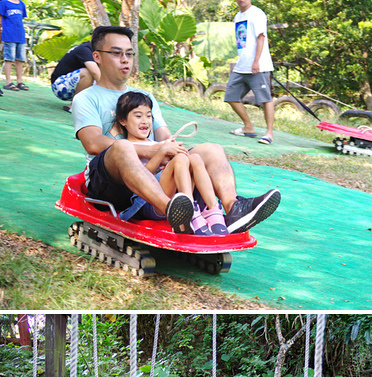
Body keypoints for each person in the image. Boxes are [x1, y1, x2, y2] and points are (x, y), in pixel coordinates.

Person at [74, 26, 280, 233]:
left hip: (155, 176)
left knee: (211, 149)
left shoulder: (143, 96)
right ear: (97, 57)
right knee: (122, 147)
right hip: (111, 184)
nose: (125, 59)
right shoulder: (87, 97)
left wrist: (172, 150)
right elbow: (93, 143)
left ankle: (233, 208)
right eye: (117, 53)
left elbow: (163, 135)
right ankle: (176, 213)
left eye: (129, 54)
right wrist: (150, 150)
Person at [113, 91, 229, 235]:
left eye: (149, 116)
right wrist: (161, 153)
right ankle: (190, 213)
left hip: (172, 198)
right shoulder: (127, 148)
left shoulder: (155, 143)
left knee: (195, 158)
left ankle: (212, 210)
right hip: (149, 201)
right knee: (180, 160)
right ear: (123, 120)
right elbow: (139, 177)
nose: (145, 120)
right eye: (138, 116)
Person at [226, 0, 275, 145]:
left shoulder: (257, 13)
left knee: (265, 99)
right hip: (242, 66)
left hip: (258, 66)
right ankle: (248, 126)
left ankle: (269, 134)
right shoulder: (237, 16)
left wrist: (256, 61)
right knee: (231, 96)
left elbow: (261, 37)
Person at [51, 41, 100, 107]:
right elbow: (95, 72)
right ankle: (74, 106)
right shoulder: (84, 49)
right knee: (88, 73)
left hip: (74, 86)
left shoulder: (103, 52)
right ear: (93, 37)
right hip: (60, 86)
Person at [1, 0, 26, 91]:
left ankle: (19, 81)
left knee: (20, 59)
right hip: (9, 35)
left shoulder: (21, 4)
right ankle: (8, 82)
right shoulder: (3, 2)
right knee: (9, 59)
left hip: (20, 35)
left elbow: (20, 19)